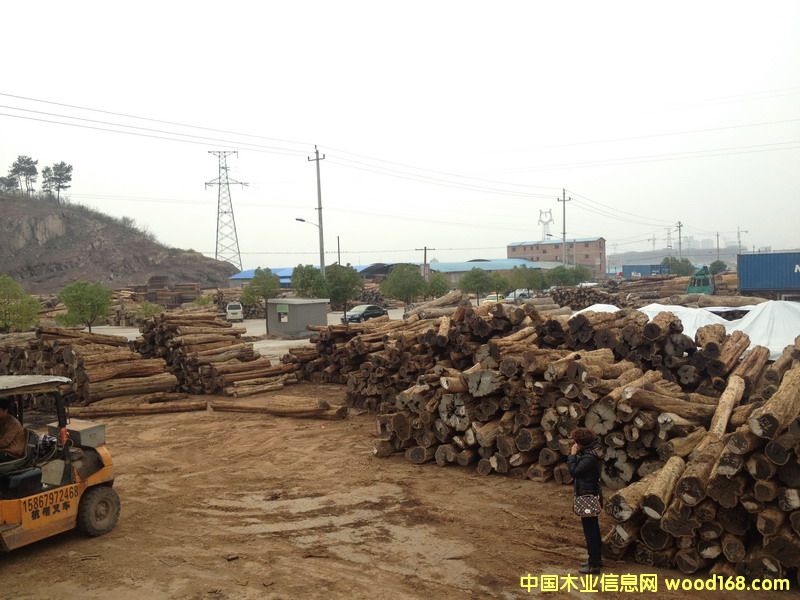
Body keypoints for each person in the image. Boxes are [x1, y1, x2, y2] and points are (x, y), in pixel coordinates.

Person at [567, 427, 604, 574]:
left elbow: (575, 472)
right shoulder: (593, 451)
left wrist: (572, 455)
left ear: (580, 443)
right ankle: (595, 560)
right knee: (593, 528)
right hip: (591, 494)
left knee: (590, 531)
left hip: (586, 496)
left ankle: (594, 565)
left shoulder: (589, 457)